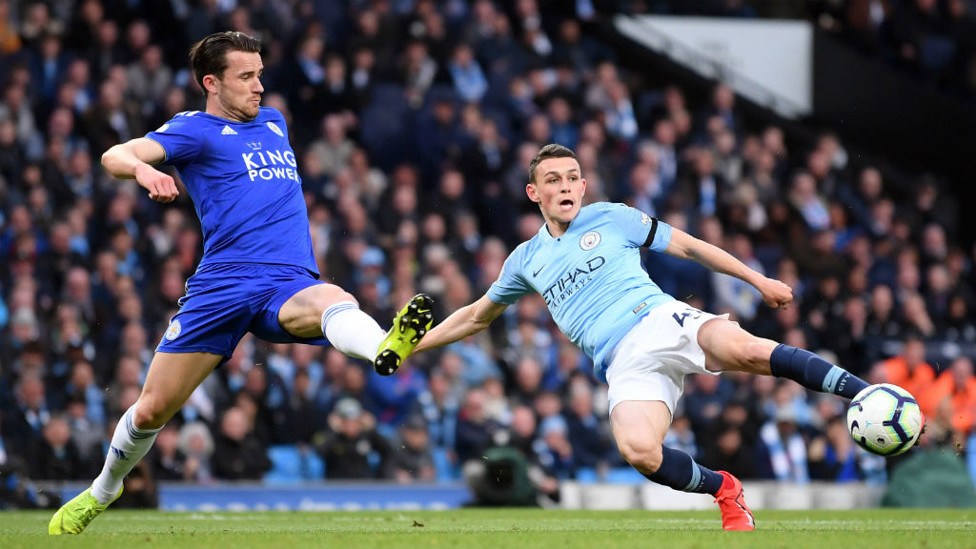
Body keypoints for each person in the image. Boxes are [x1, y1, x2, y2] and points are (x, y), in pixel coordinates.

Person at [48, 31, 433, 535]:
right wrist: (144, 173)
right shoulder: (194, 130)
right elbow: (114, 154)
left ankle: (384, 346)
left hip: (286, 281)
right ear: (212, 82)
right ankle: (103, 490)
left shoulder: (275, 123)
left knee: (334, 298)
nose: (259, 87)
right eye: (246, 77)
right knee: (151, 411)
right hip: (222, 286)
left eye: (260, 75)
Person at [410, 143, 885, 531]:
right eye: (553, 179)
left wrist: (757, 280)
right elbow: (475, 317)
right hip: (621, 361)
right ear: (535, 192)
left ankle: (867, 394)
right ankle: (724, 490)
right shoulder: (523, 260)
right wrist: (412, 343)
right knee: (639, 451)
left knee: (745, 349)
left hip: (658, 318)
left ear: (583, 185)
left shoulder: (611, 217)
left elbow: (689, 246)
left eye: (573, 176)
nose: (566, 186)